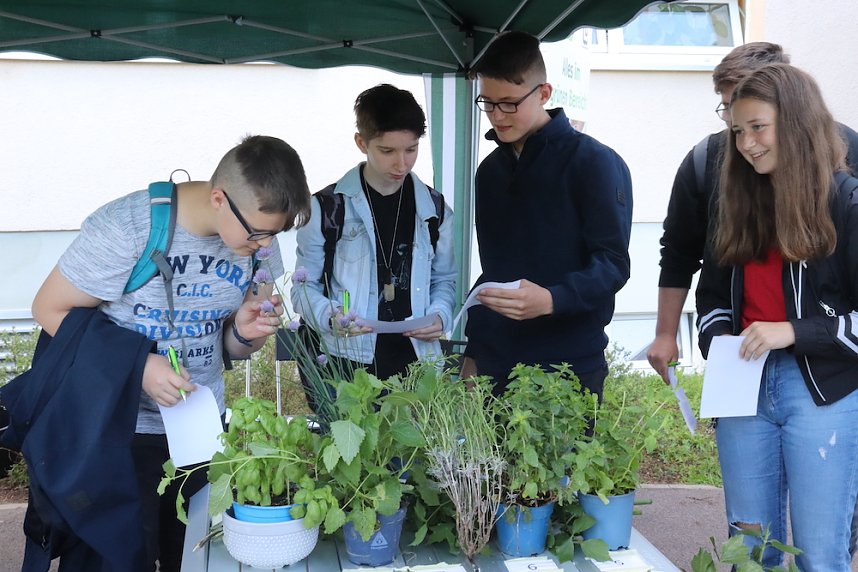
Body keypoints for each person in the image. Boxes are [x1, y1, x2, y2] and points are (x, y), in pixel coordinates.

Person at [28, 135, 312, 571]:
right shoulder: (129, 228)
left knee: (194, 557)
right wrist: (139, 366)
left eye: (275, 235)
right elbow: (48, 309)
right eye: (258, 232)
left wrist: (243, 331)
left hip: (199, 433)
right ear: (219, 198)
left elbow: (230, 347)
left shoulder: (258, 246)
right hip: (118, 433)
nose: (265, 246)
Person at [696, 63, 858, 571]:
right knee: (750, 553)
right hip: (742, 384)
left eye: (758, 127)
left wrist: (794, 331)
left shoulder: (846, 200)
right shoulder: (738, 201)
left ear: (796, 122)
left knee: (819, 556)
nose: (746, 144)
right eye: (738, 130)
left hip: (823, 391)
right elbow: (712, 299)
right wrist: (720, 343)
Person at [647, 42, 858, 382]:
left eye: (751, 115)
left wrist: (804, 331)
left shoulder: (846, 151)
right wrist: (666, 333)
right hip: (742, 362)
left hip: (828, 370)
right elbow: (678, 253)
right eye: (727, 107)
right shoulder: (705, 160)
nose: (739, 128)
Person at [461, 31, 633, 397]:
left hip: (569, 364)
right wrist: (474, 351)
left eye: (509, 103)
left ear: (543, 93)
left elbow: (613, 266)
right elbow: (494, 272)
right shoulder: (489, 172)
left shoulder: (594, 162)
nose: (496, 115)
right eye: (487, 103)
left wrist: (552, 299)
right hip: (497, 361)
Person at [291, 83, 456, 386]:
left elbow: (445, 281)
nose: (401, 163)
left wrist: (440, 316)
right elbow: (302, 288)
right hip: (343, 362)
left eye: (411, 149)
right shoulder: (327, 208)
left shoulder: (435, 209)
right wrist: (330, 316)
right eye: (387, 151)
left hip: (416, 360)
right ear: (361, 142)